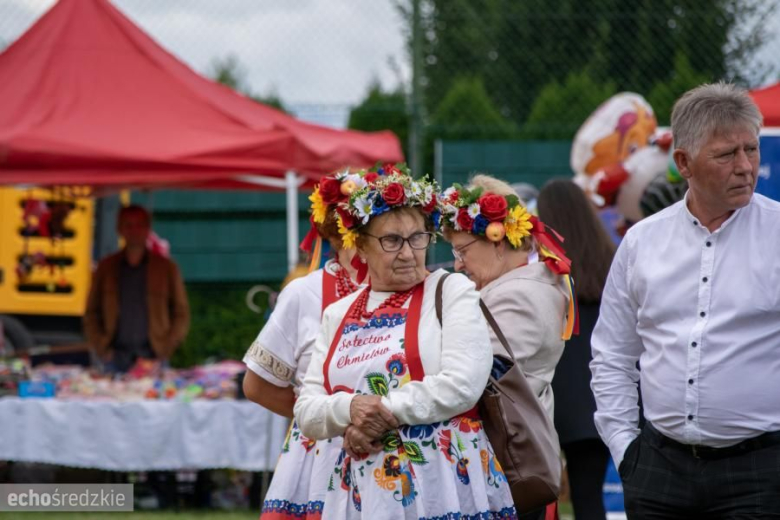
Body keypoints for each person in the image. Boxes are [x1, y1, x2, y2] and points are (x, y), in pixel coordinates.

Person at [590, 82, 780, 518]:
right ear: (684, 163)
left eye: (750, 150)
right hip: (658, 468)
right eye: (726, 154)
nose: (745, 166)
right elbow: (612, 355)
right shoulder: (641, 242)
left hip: (761, 472)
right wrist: (626, 451)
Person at [293, 164, 517, 519]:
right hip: (362, 491)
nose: (408, 252)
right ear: (361, 247)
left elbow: (463, 383)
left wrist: (373, 416)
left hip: (442, 482)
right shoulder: (338, 313)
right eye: (392, 240)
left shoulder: (449, 290)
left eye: (418, 237)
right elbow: (306, 409)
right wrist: (349, 411)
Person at [440, 174, 575, 520]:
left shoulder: (518, 296)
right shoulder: (527, 284)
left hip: (508, 471)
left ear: (498, 240)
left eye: (462, 250)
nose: (457, 263)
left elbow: (464, 377)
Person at [243, 170, 364, 518]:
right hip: (319, 455)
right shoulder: (303, 293)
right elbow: (256, 385)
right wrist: (326, 419)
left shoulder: (403, 290)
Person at [538, 178, 615, 520]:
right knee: (588, 497)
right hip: (598, 394)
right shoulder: (609, 259)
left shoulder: (545, 269)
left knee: (539, 497)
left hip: (554, 395)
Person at [84, 204, 189, 373]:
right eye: (129, 225)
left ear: (148, 229)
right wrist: (101, 347)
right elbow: (91, 312)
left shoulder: (166, 268)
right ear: (120, 229)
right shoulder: (106, 267)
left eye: (140, 225)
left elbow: (180, 313)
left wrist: (165, 349)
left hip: (153, 357)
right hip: (114, 358)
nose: (134, 231)